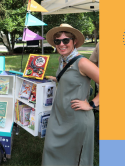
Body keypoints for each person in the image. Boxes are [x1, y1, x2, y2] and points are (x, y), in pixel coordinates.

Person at [42, 24, 99, 166]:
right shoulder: (63, 60)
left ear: (74, 42)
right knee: (51, 148)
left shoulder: (83, 62)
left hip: (78, 118)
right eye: (57, 41)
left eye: (66, 40)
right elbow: (72, 79)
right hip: (60, 114)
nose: (61, 44)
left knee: (74, 156)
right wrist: (55, 79)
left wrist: (92, 104)